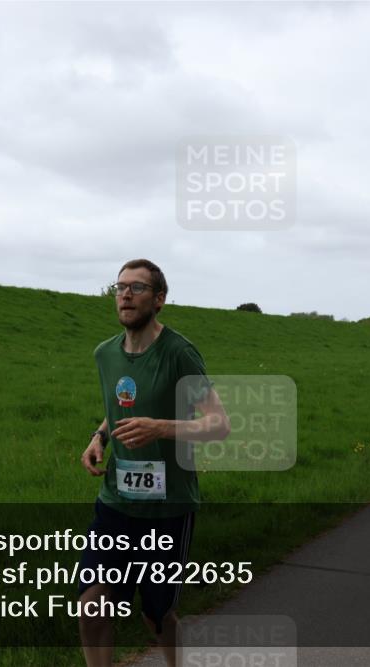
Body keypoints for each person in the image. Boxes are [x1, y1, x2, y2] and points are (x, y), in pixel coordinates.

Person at [78, 259, 230, 667]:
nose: (125, 295)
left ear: (159, 299)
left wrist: (159, 428)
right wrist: (99, 437)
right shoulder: (105, 354)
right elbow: (121, 406)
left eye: (138, 288)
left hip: (168, 509)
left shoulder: (180, 353)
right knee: (92, 604)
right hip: (115, 503)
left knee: (156, 616)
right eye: (120, 287)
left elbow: (219, 425)